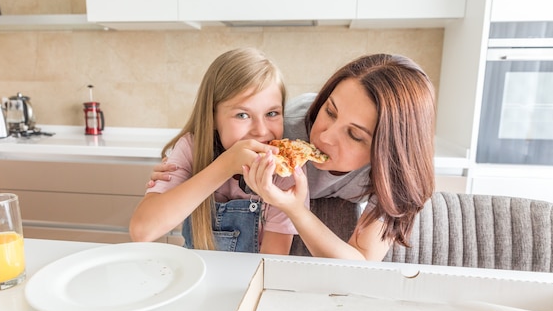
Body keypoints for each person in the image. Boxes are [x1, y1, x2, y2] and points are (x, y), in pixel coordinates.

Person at [150, 53, 436, 261]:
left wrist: (297, 210)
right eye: (330, 111)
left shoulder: (395, 178)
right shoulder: (284, 130)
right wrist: (185, 169)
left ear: (388, 153)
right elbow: (227, 131)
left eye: (355, 135)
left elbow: (360, 264)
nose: (323, 137)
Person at [129, 47, 305, 255]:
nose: (261, 130)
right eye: (242, 115)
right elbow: (142, 231)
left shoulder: (284, 173)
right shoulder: (191, 149)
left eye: (272, 113)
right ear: (212, 116)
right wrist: (225, 165)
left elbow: (271, 261)